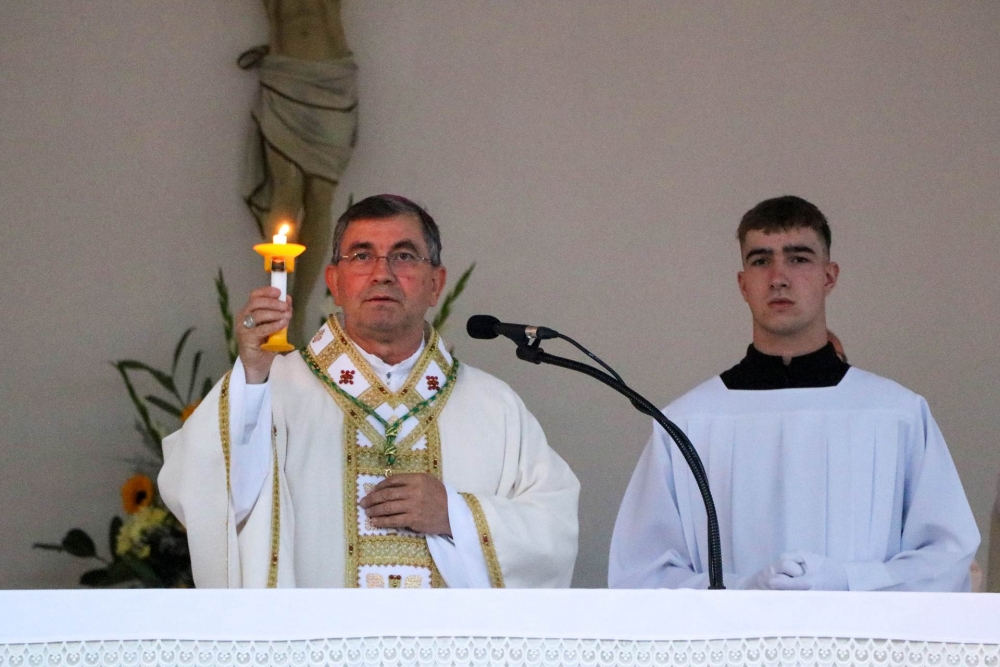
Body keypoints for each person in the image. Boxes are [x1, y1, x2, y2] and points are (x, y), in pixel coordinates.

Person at [160, 195, 579, 588]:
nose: (382, 272)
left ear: (436, 283)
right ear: (335, 283)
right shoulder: (272, 389)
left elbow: (554, 531)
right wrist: (251, 372)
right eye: (362, 256)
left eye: (403, 255)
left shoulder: (494, 406)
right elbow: (201, 492)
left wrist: (455, 514)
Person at [608, 195, 979, 591]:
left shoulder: (897, 414)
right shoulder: (686, 423)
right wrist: (741, 590)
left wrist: (849, 582)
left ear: (829, 276)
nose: (778, 277)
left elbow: (946, 556)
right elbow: (642, 573)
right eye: (761, 260)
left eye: (799, 258)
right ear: (742, 284)